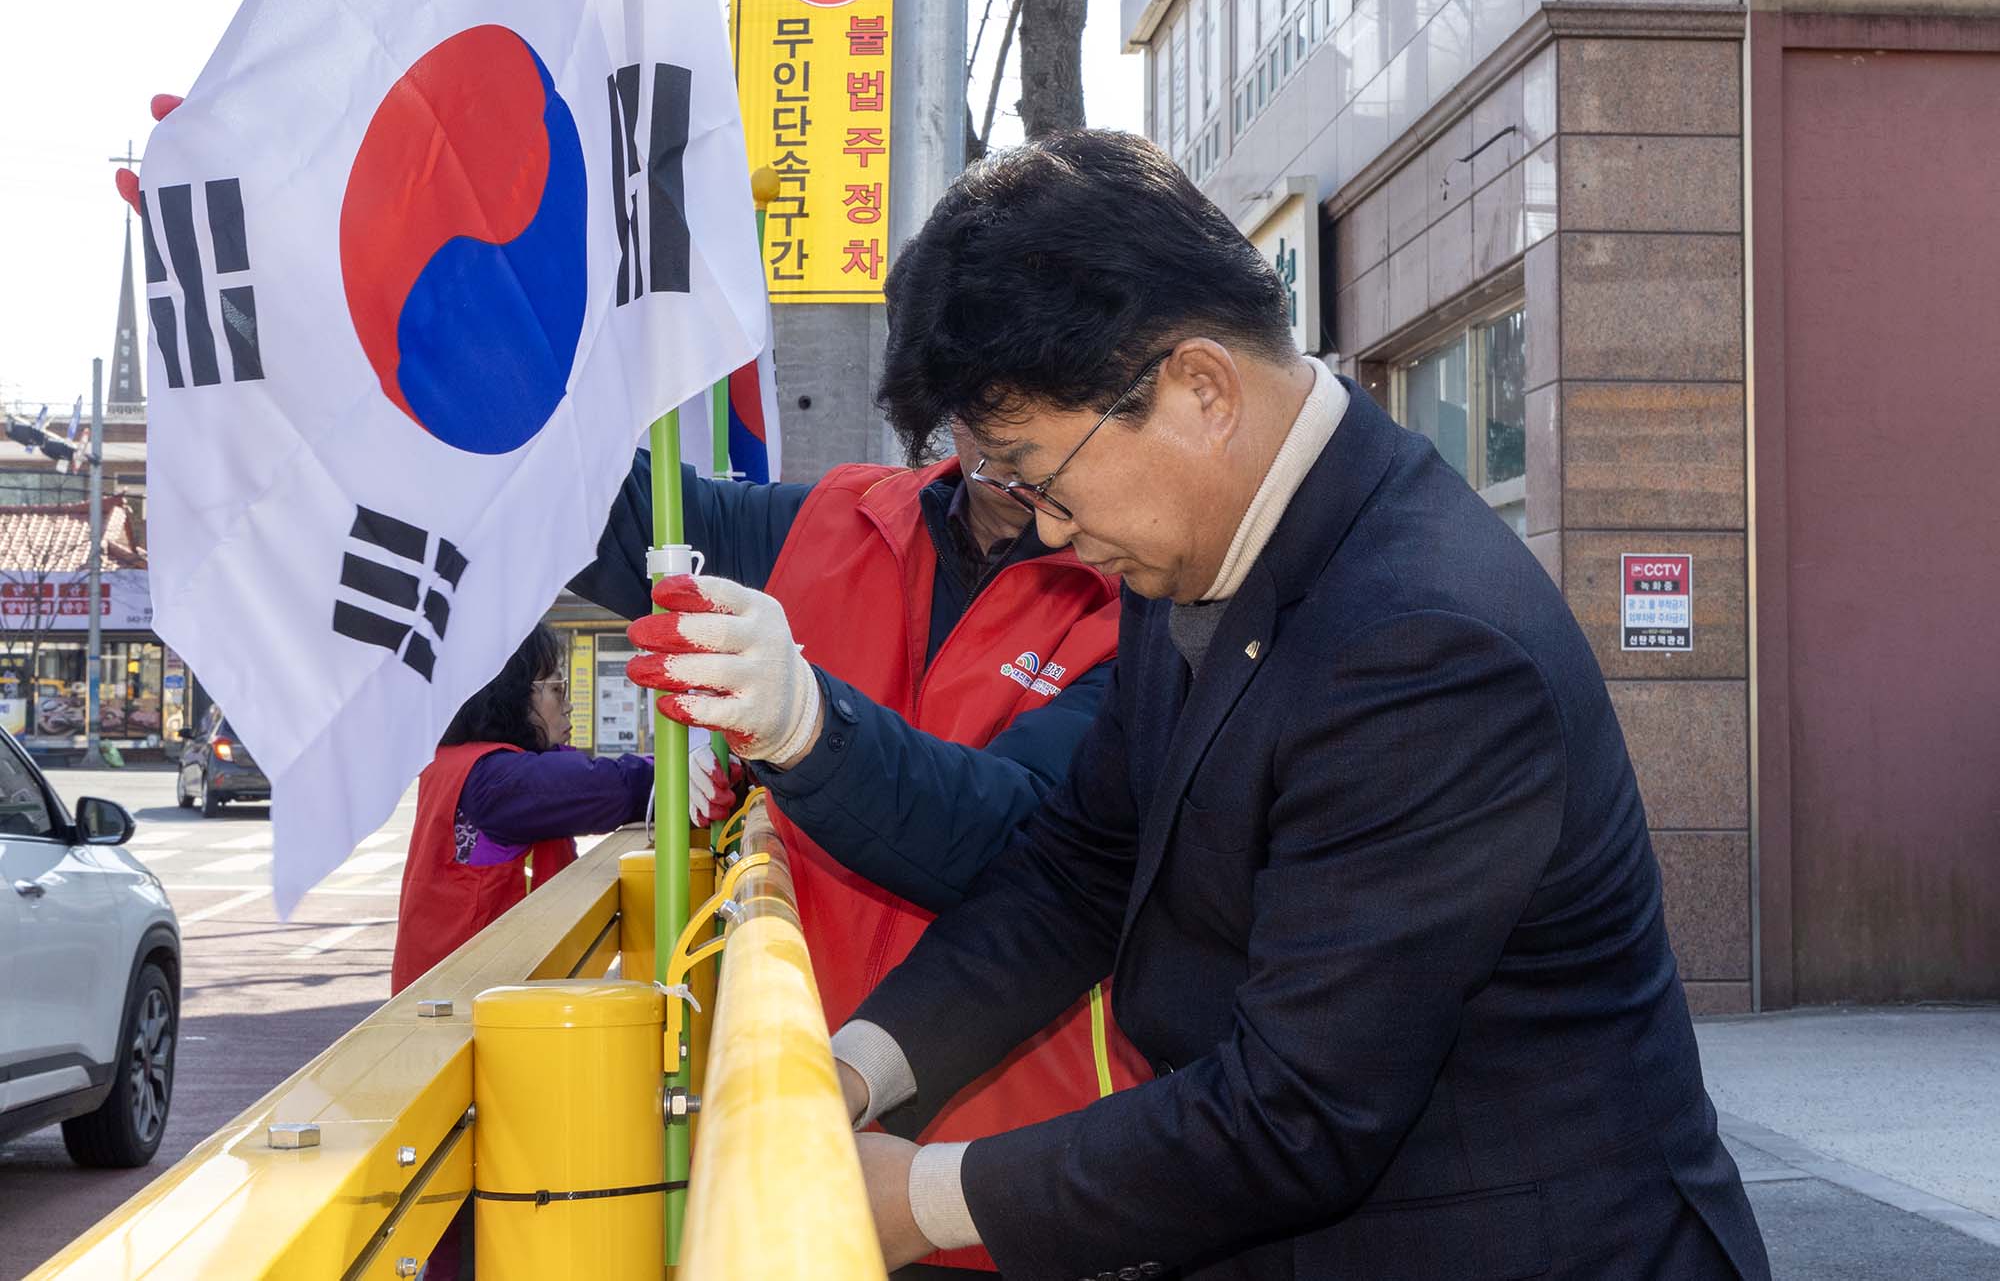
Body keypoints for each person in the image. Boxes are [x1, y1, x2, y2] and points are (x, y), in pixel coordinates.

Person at [824, 130, 1773, 1280]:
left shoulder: (1424, 643)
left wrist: (921, 1196)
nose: (1043, 527)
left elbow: (1296, 1114)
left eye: (1040, 474)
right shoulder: (1191, 543)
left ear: (1199, 390)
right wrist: (861, 1065)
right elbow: (1079, 866)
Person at [569, 428, 1152, 1272]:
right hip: (816, 1136)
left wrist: (802, 726)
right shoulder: (834, 519)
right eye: (991, 418)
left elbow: (1028, 842)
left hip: (1027, 1178)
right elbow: (597, 508)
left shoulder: (1136, 581)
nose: (1019, 466)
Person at [388, 624, 651, 994]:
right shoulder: (497, 778)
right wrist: (678, 772)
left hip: (453, 990)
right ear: (511, 695)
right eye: (557, 690)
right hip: (473, 1002)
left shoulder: (458, 761)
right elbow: (609, 788)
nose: (569, 704)